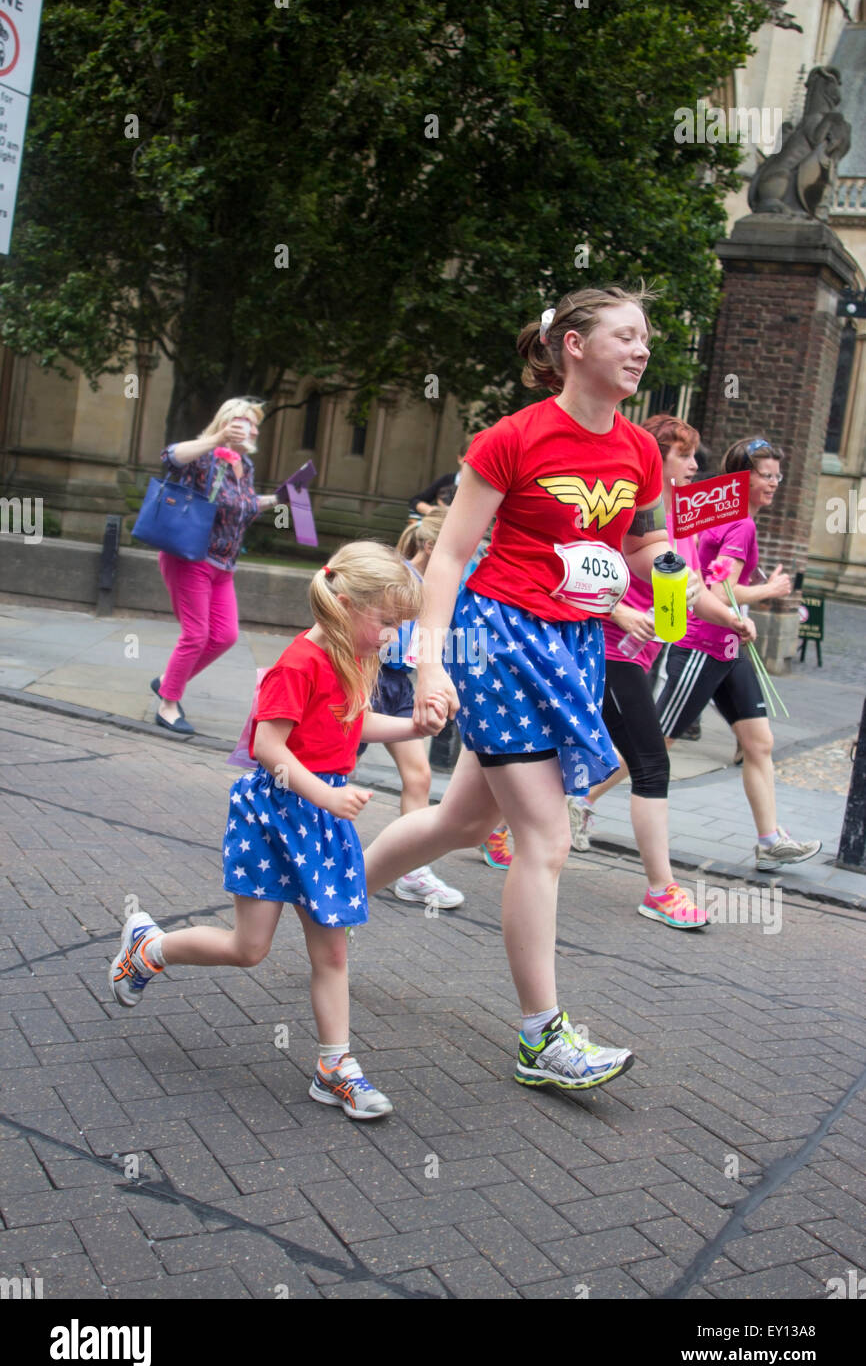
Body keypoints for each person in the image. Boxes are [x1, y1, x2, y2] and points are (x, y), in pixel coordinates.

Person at [363, 284, 701, 1093]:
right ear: (574, 346)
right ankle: (541, 1037)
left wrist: (659, 605)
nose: (641, 348)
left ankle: (330, 888)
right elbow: (448, 557)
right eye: (624, 334)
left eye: (645, 337)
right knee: (545, 839)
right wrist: (435, 659)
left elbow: (647, 547)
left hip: (574, 643)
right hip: (498, 641)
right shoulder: (511, 438)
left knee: (462, 817)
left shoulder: (638, 451)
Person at [110, 542, 447, 1121]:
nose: (393, 635)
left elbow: (353, 721)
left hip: (322, 816)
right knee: (250, 948)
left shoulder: (355, 654)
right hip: (276, 815)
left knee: (333, 951)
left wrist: (411, 724)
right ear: (344, 605)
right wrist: (326, 793)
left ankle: (334, 1067)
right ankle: (148, 949)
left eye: (400, 624)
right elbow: (268, 747)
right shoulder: (299, 662)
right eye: (387, 622)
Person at [567, 415, 755, 928]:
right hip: (608, 652)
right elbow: (576, 575)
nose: (696, 465)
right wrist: (618, 612)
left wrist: (733, 620)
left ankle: (493, 824)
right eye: (684, 455)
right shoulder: (625, 517)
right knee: (652, 763)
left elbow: (692, 592)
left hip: (642, 655)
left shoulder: (679, 527)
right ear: (655, 460)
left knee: (549, 752)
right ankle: (660, 889)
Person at [654, 436, 821, 871]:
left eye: (777, 476)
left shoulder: (729, 517)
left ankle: (769, 841)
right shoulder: (738, 524)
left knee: (758, 742)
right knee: (656, 743)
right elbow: (716, 591)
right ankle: (580, 801)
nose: (775, 484)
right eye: (766, 476)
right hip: (702, 645)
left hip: (731, 648)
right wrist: (770, 590)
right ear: (742, 479)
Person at [152, 398, 279, 735]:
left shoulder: (245, 465)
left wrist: (279, 498)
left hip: (224, 565)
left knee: (224, 636)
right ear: (226, 421)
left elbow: (244, 507)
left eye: (254, 424)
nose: (251, 429)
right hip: (190, 558)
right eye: (243, 421)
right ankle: (167, 706)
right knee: (195, 635)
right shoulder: (203, 456)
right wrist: (217, 438)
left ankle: (168, 682)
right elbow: (170, 456)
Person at [362, 509, 465, 909]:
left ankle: (412, 872)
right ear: (428, 546)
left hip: (400, 684)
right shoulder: (397, 575)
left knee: (419, 776)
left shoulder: (447, 586)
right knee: (330, 771)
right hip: (367, 678)